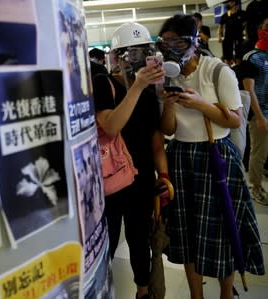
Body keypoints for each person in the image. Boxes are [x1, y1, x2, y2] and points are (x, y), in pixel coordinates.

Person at [157, 14, 265, 299]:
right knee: (189, 233)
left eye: (178, 41)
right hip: (180, 157)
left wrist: (200, 103)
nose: (171, 49)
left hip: (216, 155)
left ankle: (226, 293)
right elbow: (168, 129)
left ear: (194, 42)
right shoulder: (167, 76)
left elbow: (233, 120)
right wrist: (168, 104)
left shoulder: (217, 70)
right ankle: (196, 295)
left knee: (221, 231)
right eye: (165, 42)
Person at [92, 22, 168, 299]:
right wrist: (137, 86)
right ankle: (100, 290)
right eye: (129, 53)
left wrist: (165, 177)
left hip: (142, 177)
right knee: (106, 242)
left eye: (143, 52)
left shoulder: (149, 92)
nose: (136, 59)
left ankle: (143, 291)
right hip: (110, 180)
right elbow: (111, 125)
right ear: (115, 57)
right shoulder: (103, 83)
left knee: (139, 240)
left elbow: (157, 142)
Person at [243, 16, 268, 205]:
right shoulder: (252, 57)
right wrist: (259, 117)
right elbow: (249, 90)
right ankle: (255, 187)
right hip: (260, 114)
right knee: (259, 153)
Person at [217, 0, 246, 65]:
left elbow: (246, 24)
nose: (227, 3)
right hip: (228, 39)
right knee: (227, 58)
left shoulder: (242, 14)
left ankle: (239, 72)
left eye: (229, 2)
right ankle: (228, 72)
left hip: (238, 39)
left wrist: (246, 35)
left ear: (234, 2)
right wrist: (219, 36)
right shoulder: (225, 15)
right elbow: (220, 26)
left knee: (239, 58)